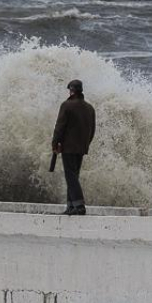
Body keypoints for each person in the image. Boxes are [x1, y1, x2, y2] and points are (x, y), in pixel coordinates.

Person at [52, 79, 96, 216]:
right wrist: (86, 144)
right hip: (82, 147)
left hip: (69, 147)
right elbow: (92, 129)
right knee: (73, 176)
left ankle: (79, 205)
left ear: (71, 91)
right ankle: (71, 207)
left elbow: (59, 127)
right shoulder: (90, 108)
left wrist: (55, 143)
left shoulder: (67, 105)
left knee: (70, 176)